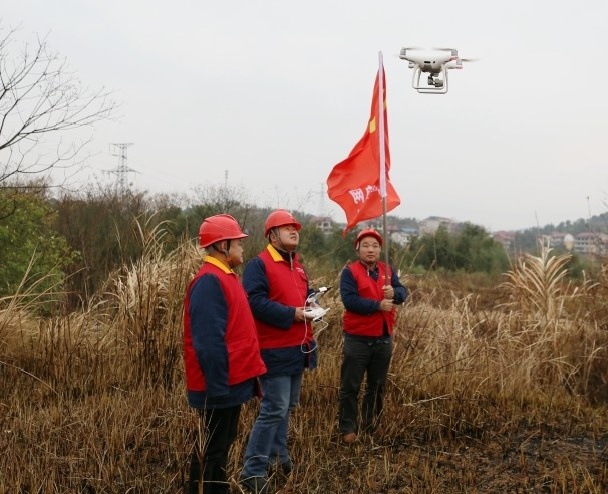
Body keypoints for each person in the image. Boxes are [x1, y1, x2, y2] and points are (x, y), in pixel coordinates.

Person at [183, 214, 267, 494]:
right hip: (219, 387)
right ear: (222, 245)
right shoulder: (209, 281)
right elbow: (208, 343)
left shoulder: (225, 277)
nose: (243, 246)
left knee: (220, 444)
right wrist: (217, 390)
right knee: (213, 450)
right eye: (238, 242)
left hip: (230, 384)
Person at [239, 209, 317, 494]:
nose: (294, 231)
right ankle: (253, 470)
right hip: (274, 349)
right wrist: (292, 314)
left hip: (299, 348)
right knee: (273, 409)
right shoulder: (259, 265)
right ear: (272, 235)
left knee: (288, 407)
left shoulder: (297, 265)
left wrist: (312, 305)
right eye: (286, 228)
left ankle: (278, 457)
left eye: (295, 227)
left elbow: (299, 299)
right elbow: (254, 302)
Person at [338, 228, 408, 444]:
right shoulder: (350, 272)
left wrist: (395, 293)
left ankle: (371, 424)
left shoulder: (388, 270)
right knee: (350, 386)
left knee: (377, 386)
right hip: (358, 339)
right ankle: (348, 426)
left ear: (380, 249)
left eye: (375, 245)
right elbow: (350, 301)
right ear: (357, 249)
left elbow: (403, 292)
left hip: (383, 338)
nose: (371, 250)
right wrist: (378, 305)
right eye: (366, 245)